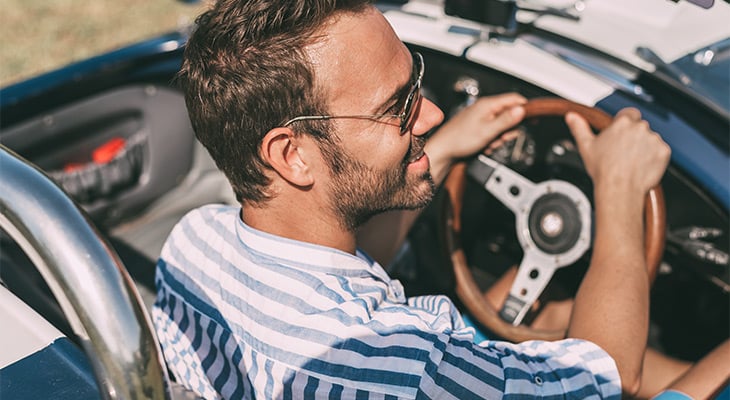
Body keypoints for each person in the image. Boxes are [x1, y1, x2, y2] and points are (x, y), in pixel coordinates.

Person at [151, 0, 673, 398]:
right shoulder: (395, 368)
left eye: (416, 81)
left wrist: (437, 154)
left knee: (552, 305)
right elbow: (606, 380)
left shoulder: (195, 242)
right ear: (292, 156)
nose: (432, 117)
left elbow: (332, 261)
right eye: (396, 108)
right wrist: (620, 195)